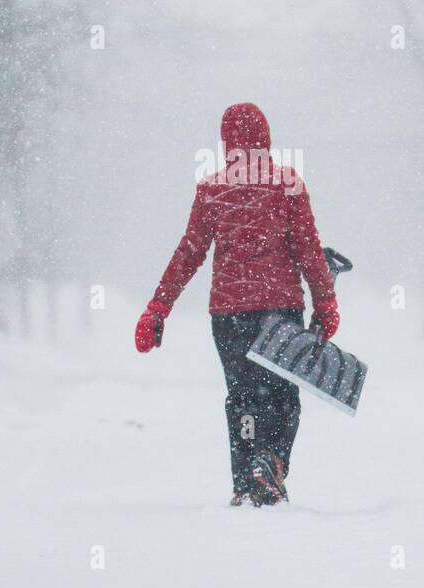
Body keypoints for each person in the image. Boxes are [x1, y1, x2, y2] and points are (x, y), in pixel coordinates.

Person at [134, 102, 339, 506]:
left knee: (243, 395)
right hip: (279, 312)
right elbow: (309, 252)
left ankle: (246, 481)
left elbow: (189, 253)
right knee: (283, 396)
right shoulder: (288, 184)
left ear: (225, 141)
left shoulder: (212, 189)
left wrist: (158, 308)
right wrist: (325, 302)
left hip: (228, 316)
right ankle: (272, 462)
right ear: (266, 137)